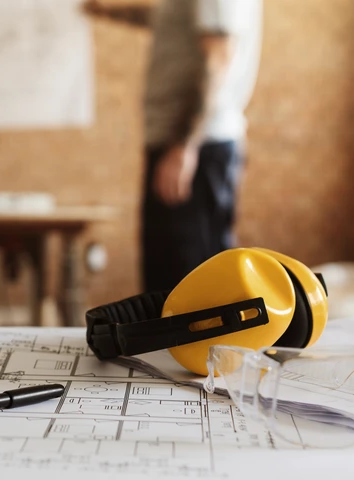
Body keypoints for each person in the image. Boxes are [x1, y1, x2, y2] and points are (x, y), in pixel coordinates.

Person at [84, 0, 263, 292]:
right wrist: (108, 11)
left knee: (185, 290)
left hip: (194, 147)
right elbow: (176, 21)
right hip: (186, 144)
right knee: (166, 284)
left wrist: (184, 146)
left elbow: (219, 54)